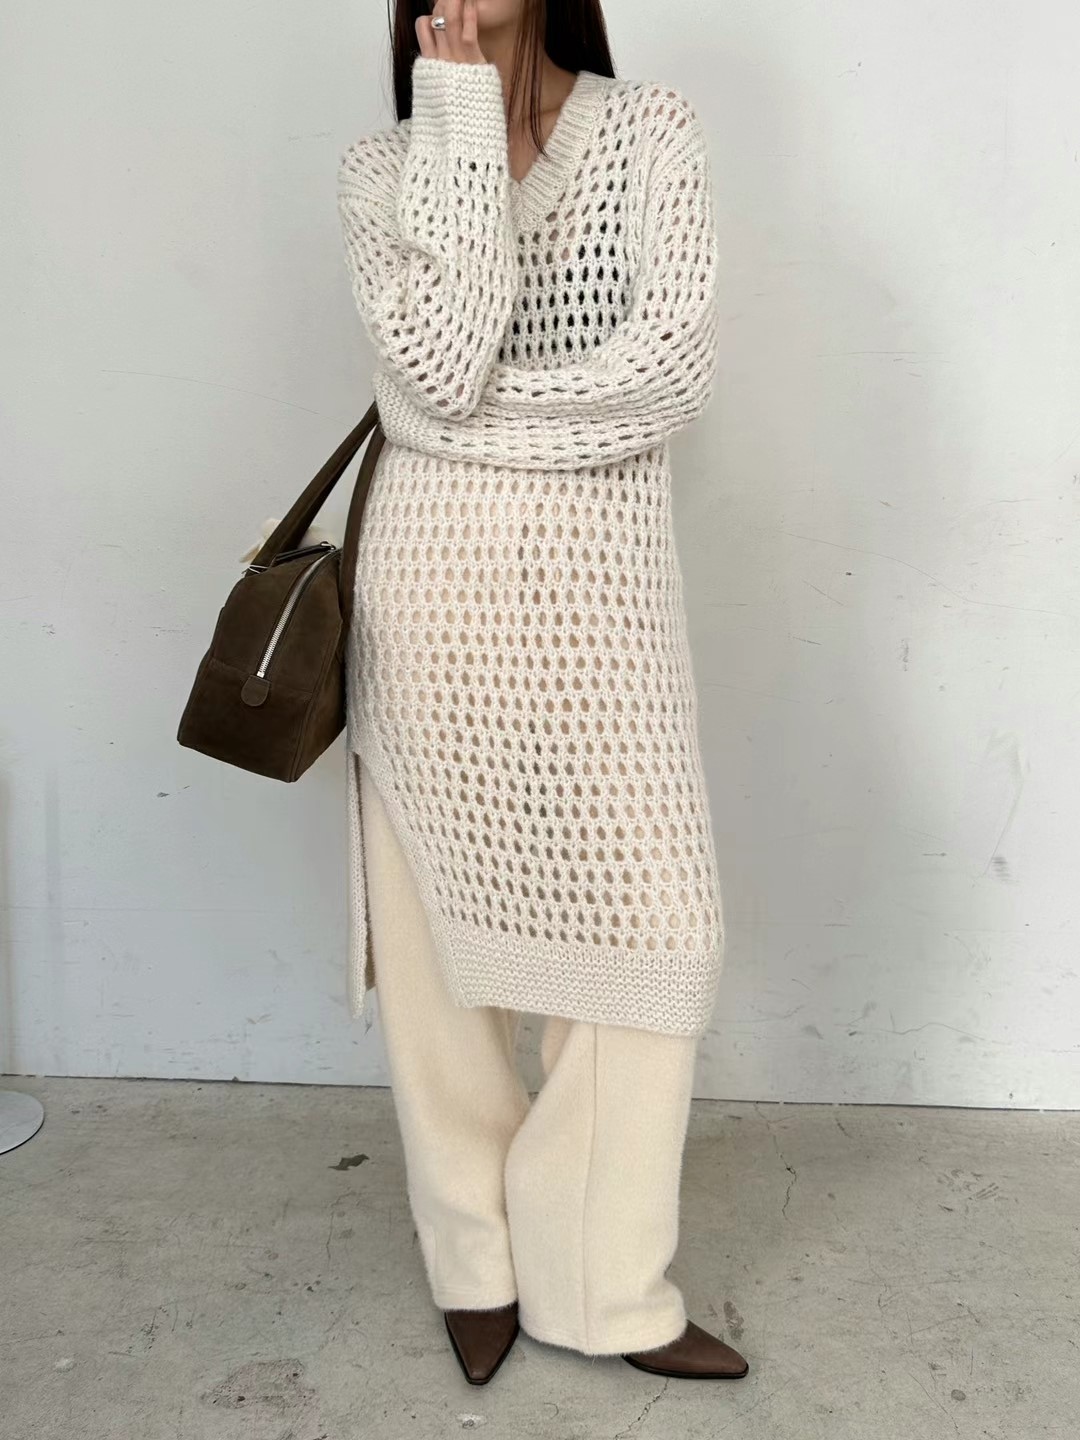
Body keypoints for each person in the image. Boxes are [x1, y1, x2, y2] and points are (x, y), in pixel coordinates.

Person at [336, 0, 748, 1386]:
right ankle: (478, 1260)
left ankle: (601, 1283)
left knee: (653, 928)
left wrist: (457, 428)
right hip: (430, 602)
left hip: (602, 603)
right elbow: (438, 359)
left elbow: (670, 373)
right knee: (437, 951)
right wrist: (456, 112)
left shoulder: (650, 131)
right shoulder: (382, 168)